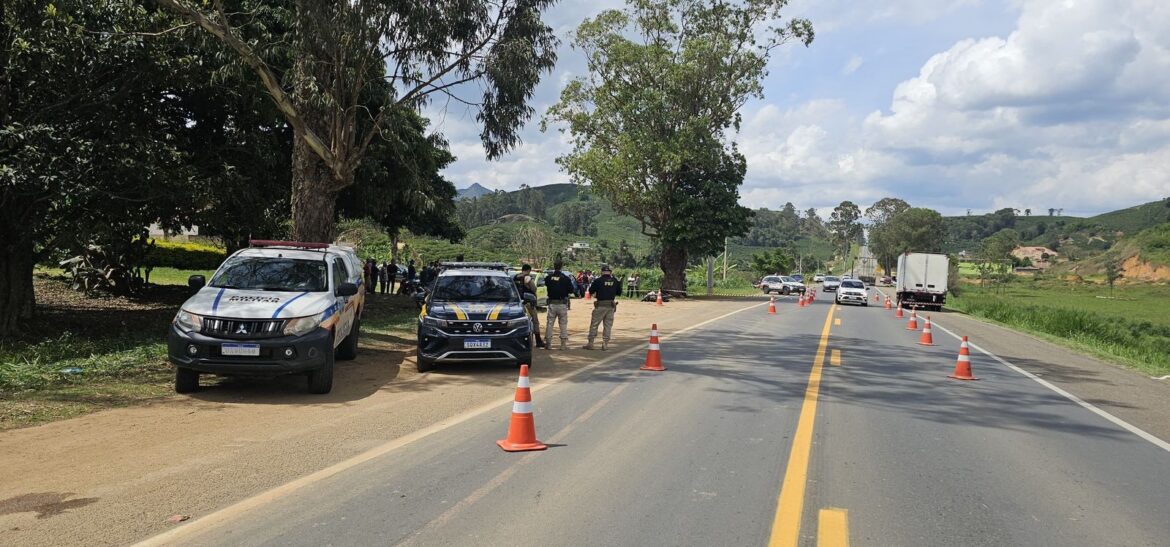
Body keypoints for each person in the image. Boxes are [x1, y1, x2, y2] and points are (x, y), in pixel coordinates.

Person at [583, 264, 620, 350]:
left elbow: (591, 291)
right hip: (610, 306)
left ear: (602, 272)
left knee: (594, 324)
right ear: (610, 272)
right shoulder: (615, 281)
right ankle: (605, 344)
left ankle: (591, 343)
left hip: (600, 305)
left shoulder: (598, 280)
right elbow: (619, 292)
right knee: (608, 325)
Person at [543, 260, 575, 350]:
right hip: (562, 304)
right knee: (563, 324)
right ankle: (563, 345)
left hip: (552, 304)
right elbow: (571, 290)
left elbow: (546, 284)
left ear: (554, 266)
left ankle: (548, 344)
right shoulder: (566, 278)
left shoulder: (548, 278)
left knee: (550, 323)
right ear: (562, 266)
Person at [514, 264, 545, 349]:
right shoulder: (527, 278)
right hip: (528, 302)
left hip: (518, 303)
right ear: (528, 270)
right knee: (535, 320)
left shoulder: (515, 277)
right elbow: (534, 289)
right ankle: (538, 341)